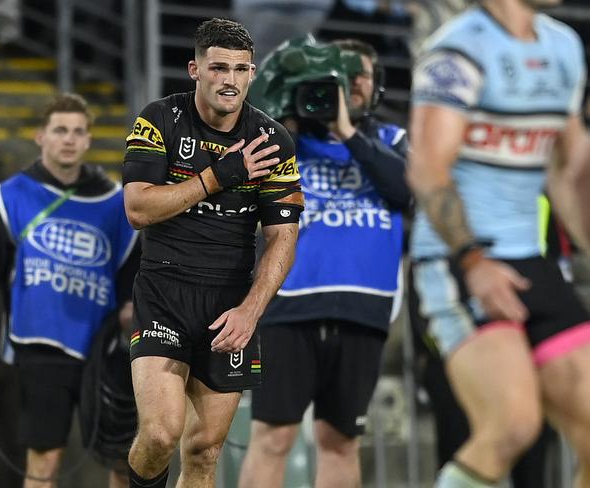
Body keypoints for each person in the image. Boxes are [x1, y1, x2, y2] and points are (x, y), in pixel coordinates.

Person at [407, 0, 590, 486]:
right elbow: (427, 169)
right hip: (456, 259)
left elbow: (568, 172)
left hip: (530, 258)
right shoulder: (456, 51)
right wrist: (473, 261)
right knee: (513, 423)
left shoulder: (564, 45)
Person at [122, 18, 304, 488]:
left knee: (204, 452)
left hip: (229, 301)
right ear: (195, 69)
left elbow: (282, 239)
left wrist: (251, 311)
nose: (229, 79)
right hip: (164, 290)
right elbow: (138, 208)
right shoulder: (160, 118)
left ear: (252, 74)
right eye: (218, 67)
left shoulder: (273, 141)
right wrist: (218, 176)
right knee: (161, 434)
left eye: (239, 69)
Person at [238, 37, 410, 488]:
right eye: (342, 75)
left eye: (362, 75)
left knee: (341, 442)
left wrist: (348, 132)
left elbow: (407, 191)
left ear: (378, 86)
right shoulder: (285, 140)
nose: (352, 84)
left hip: (363, 311)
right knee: (272, 437)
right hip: (287, 307)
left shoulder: (392, 140)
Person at [0, 93, 139, 488]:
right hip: (39, 346)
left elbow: (131, 276)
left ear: (88, 140)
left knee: (124, 459)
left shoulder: (116, 202)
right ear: (41, 137)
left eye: (77, 131)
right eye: (59, 130)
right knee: (44, 461)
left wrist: (131, 317)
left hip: (104, 350)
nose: (68, 139)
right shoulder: (12, 196)